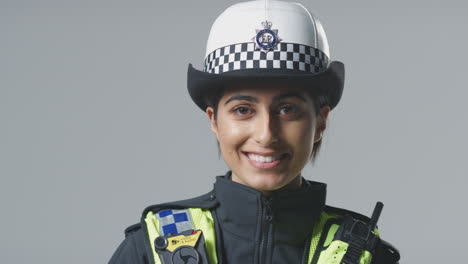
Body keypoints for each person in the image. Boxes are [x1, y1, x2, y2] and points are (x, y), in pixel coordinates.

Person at [109, 1, 400, 263]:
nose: (265, 135)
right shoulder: (150, 246)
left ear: (321, 122)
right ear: (214, 121)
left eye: (288, 109)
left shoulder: (363, 254)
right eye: (243, 110)